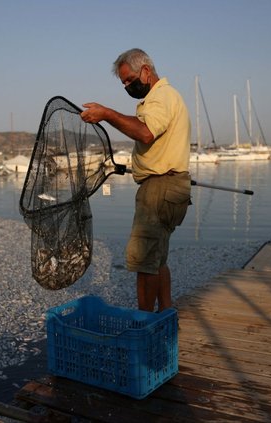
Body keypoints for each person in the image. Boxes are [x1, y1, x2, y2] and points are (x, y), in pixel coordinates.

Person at [80, 48, 191, 312]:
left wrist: (107, 114)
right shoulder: (164, 97)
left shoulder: (161, 97)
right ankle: (165, 316)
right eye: (124, 84)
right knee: (157, 259)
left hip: (160, 189)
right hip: (171, 187)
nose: (128, 86)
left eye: (130, 79)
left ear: (146, 70)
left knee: (143, 259)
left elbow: (145, 132)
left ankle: (145, 324)